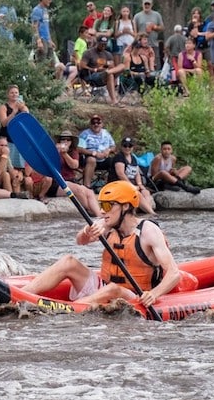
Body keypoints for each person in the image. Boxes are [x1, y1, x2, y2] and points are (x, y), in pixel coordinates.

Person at [25, 181, 185, 309]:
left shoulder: (148, 231)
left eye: (108, 206)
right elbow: (80, 241)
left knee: (113, 289)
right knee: (69, 261)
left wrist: (154, 294)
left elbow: (174, 273)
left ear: (126, 206)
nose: (102, 211)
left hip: (135, 295)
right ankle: (20, 295)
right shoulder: (107, 223)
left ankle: (71, 309)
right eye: (102, 205)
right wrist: (87, 231)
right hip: (104, 287)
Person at [111, 137, 156, 212]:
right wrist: (132, 186)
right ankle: (151, 213)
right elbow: (120, 174)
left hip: (132, 184)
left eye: (130, 146)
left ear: (133, 147)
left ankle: (147, 211)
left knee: (145, 192)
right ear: (121, 147)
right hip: (119, 184)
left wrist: (139, 184)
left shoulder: (133, 158)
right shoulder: (119, 157)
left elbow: (137, 173)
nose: (127, 148)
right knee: (137, 194)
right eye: (125, 146)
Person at [77, 114, 115, 186]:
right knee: (92, 160)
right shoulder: (84, 134)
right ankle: (87, 186)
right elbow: (78, 148)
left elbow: (113, 146)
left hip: (104, 158)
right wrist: (93, 153)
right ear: (90, 125)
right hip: (89, 158)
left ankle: (111, 186)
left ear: (102, 124)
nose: (96, 124)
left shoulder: (106, 133)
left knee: (116, 161)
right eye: (93, 123)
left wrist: (108, 150)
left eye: (98, 122)